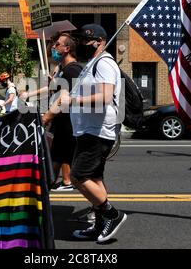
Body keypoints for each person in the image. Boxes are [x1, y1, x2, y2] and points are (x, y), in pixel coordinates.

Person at [62, 24, 126, 243]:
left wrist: (73, 100)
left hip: (97, 131)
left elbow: (105, 97)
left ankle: (111, 214)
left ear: (98, 41)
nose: (80, 44)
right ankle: (100, 225)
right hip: (87, 130)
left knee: (79, 176)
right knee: (95, 178)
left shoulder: (105, 64)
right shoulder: (92, 64)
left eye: (84, 40)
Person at [41, 33, 83, 191]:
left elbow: (62, 101)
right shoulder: (68, 70)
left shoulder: (72, 70)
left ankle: (100, 207)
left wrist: (45, 118)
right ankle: (42, 204)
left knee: (85, 177)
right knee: (54, 164)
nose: (53, 47)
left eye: (57, 44)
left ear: (67, 48)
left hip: (69, 128)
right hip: (64, 128)